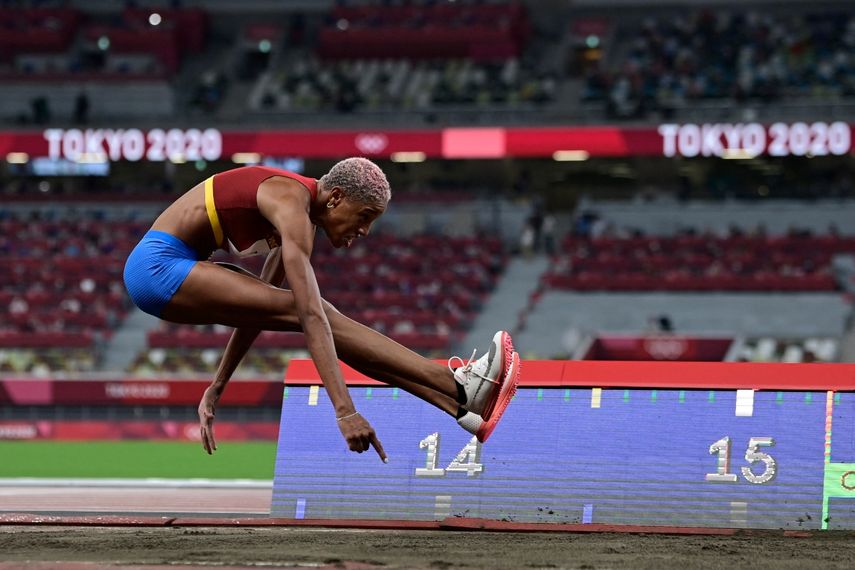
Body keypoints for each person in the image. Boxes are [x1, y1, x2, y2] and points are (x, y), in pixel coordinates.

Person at [123, 158, 521, 462]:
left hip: (170, 271)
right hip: (156, 269)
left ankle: (460, 406)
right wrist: (345, 412)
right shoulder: (289, 202)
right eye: (364, 217)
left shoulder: (296, 221)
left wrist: (217, 386)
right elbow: (310, 315)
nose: (364, 231)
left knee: (312, 313)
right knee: (318, 311)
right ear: (335, 198)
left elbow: (257, 312)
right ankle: (458, 385)